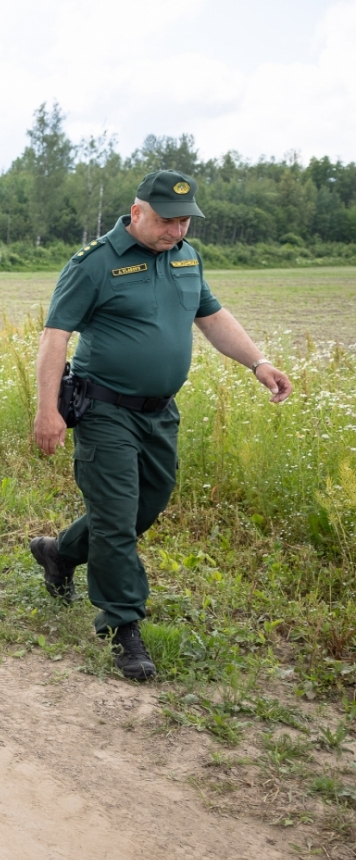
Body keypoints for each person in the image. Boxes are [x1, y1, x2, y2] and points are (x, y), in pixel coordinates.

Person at [30, 170, 292, 681]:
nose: (178, 230)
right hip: (104, 410)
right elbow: (54, 337)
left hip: (159, 412)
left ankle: (59, 553)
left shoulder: (187, 256)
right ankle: (122, 625)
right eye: (168, 221)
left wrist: (258, 363)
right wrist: (48, 411)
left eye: (185, 220)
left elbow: (212, 316)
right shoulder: (95, 264)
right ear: (137, 212)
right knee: (114, 517)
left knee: (145, 506)